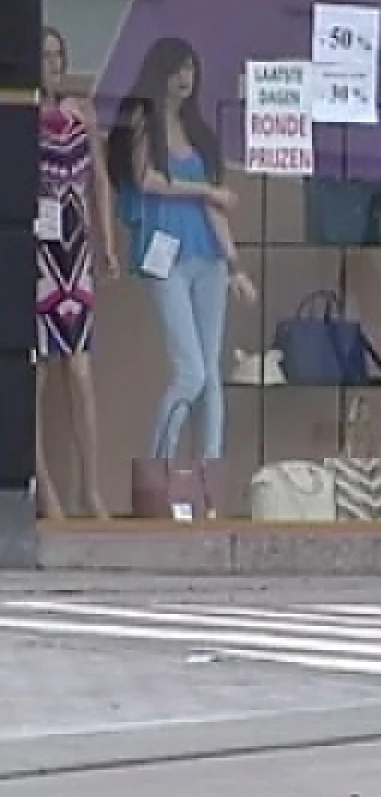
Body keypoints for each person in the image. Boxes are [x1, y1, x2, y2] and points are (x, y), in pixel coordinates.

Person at [106, 36, 257, 520]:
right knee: (189, 369)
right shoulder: (139, 119)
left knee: (210, 375)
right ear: (161, 71)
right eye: (177, 68)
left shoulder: (198, 132)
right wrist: (206, 191)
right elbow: (147, 178)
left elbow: (213, 211)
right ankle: (160, 471)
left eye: (191, 68)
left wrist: (235, 266)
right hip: (163, 256)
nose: (185, 77)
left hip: (206, 257)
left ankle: (209, 485)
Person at [34, 25, 120, 520]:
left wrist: (106, 241)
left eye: (57, 54)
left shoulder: (81, 112)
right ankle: (46, 490)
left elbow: (100, 181)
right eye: (44, 55)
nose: (53, 64)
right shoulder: (23, 112)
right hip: (37, 250)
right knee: (38, 373)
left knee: (81, 371)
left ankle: (91, 488)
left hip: (75, 251)